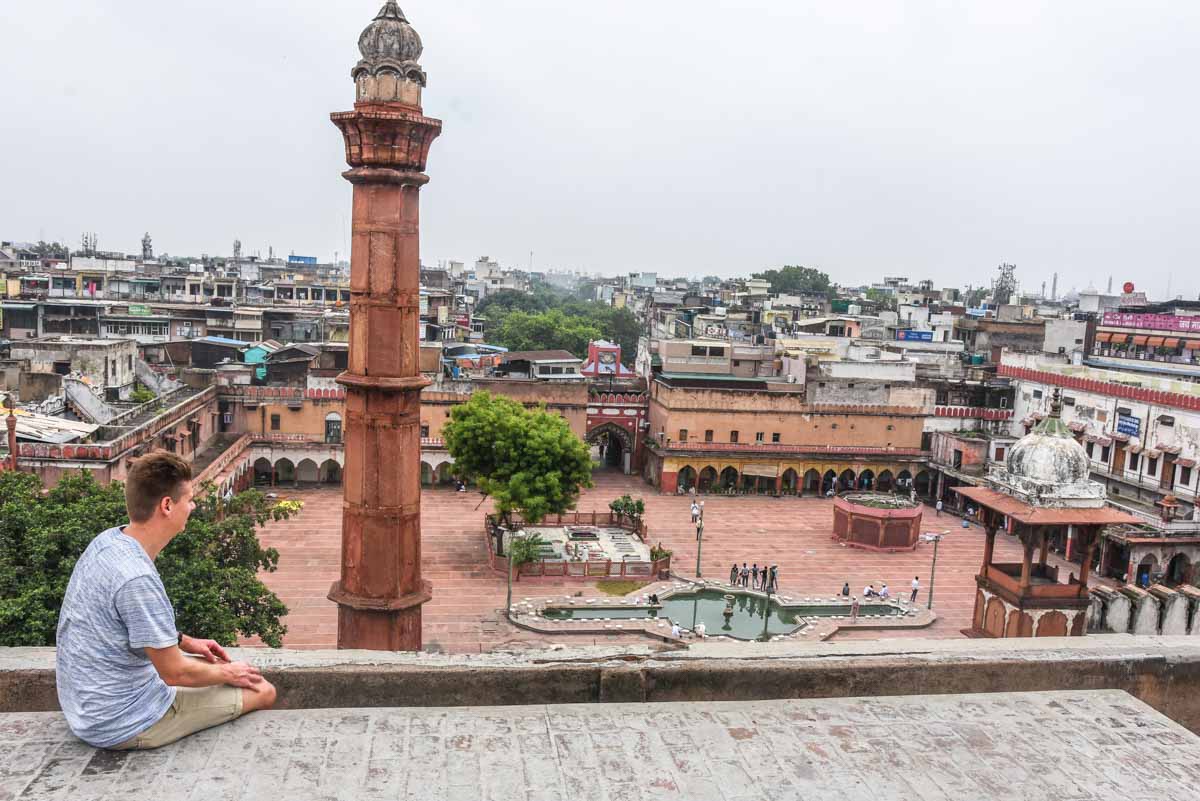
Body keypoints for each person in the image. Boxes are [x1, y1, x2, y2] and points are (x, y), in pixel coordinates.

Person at [56, 453, 277, 751]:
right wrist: (229, 672)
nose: (194, 506)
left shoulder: (108, 541)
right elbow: (174, 673)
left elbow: (124, 619)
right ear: (167, 505)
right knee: (262, 689)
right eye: (189, 499)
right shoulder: (137, 578)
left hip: (86, 704)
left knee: (212, 668)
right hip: (123, 721)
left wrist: (183, 641)